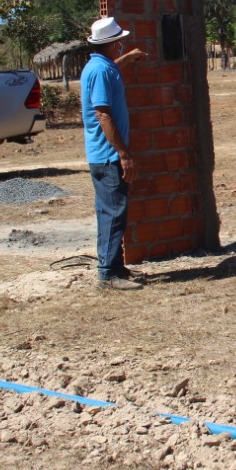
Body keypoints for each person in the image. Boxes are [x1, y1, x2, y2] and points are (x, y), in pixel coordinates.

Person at [81, 16, 144, 291]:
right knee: (113, 212)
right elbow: (103, 113)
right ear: (113, 43)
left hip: (103, 154)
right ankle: (107, 274)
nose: (121, 44)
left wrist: (127, 60)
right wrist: (124, 154)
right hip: (108, 156)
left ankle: (114, 266)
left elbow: (109, 75)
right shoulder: (100, 71)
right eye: (119, 41)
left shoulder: (101, 66)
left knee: (111, 211)